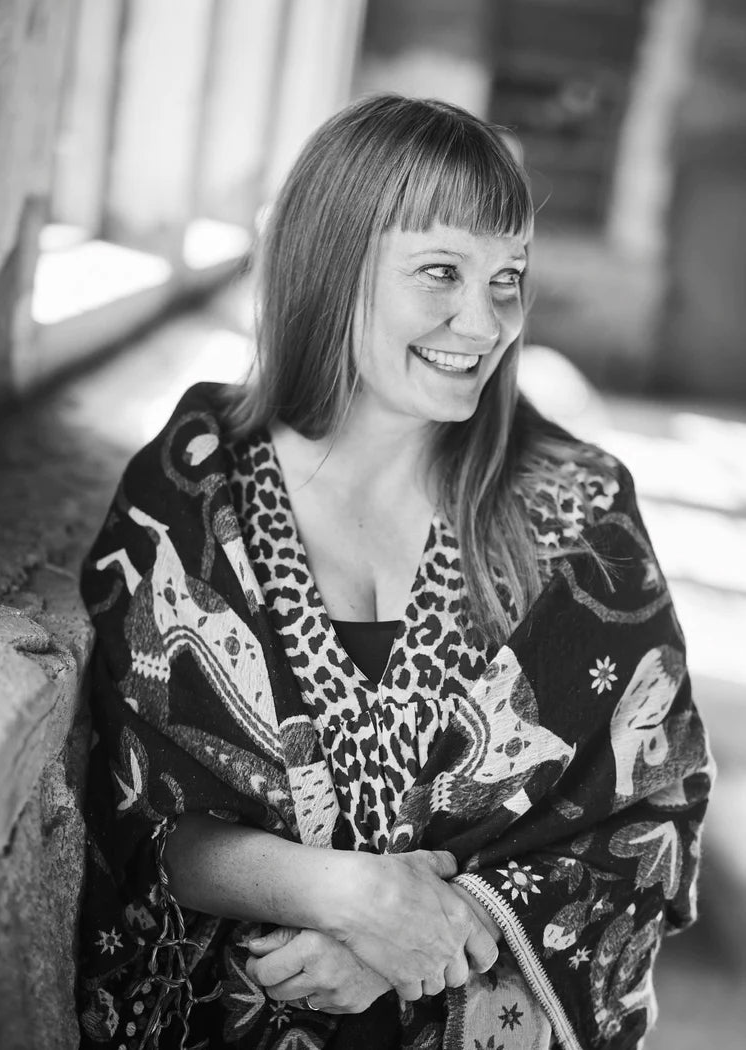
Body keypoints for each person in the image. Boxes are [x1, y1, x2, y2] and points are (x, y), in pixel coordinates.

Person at [78, 95, 713, 1050]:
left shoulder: (579, 513)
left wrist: (428, 935)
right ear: (332, 265)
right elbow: (140, 813)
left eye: (508, 277)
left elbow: (655, 801)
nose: (485, 322)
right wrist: (348, 896)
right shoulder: (195, 495)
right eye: (440, 272)